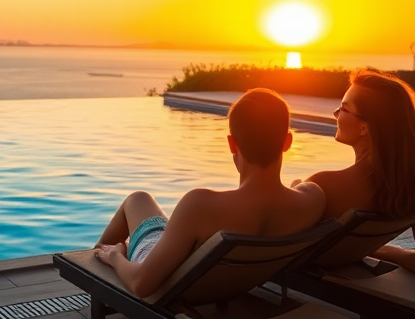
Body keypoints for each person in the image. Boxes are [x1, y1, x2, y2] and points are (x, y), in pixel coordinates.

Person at [94, 88, 326, 298]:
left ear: (231, 144)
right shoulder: (312, 200)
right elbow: (301, 186)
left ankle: (94, 269)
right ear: (287, 142)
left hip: (171, 284)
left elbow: (141, 284)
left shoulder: (201, 205)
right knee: (147, 206)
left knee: (137, 199)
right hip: (228, 283)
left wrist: (115, 256)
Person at [304, 68, 415, 282]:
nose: (335, 114)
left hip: (312, 286)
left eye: (343, 109)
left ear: (364, 127)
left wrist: (299, 188)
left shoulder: (323, 185)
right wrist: (386, 251)